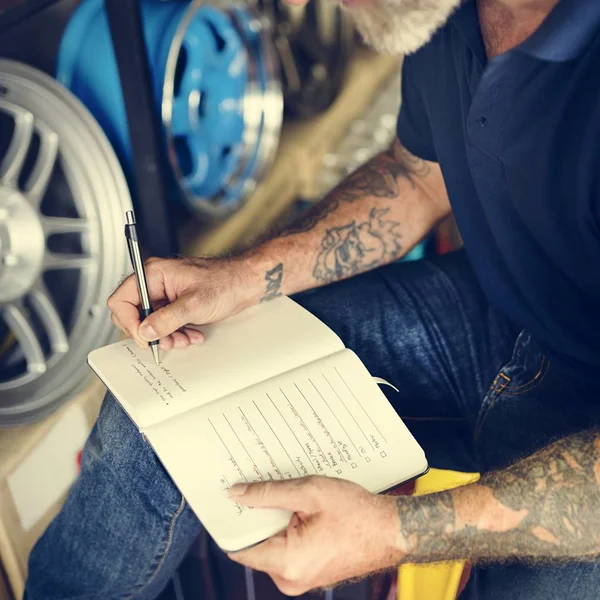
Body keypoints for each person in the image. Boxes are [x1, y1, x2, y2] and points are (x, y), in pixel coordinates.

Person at [25, 0, 600, 598]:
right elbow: (416, 175)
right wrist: (242, 276)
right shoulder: (442, 12)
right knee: (162, 411)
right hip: (505, 310)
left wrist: (395, 532)